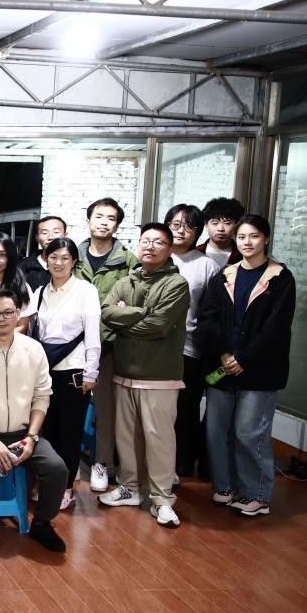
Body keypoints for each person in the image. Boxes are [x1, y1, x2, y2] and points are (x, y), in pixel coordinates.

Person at [199, 214, 295, 517]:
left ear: (266, 238)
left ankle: (256, 494)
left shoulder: (280, 277)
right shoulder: (224, 275)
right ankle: (225, 487)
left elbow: (275, 328)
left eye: (254, 236)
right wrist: (224, 353)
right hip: (222, 366)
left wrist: (244, 358)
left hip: (259, 371)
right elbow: (208, 318)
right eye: (241, 237)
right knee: (216, 431)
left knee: (249, 432)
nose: (247, 242)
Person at [0, 288, 68, 553]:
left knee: (57, 468)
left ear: (18, 314)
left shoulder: (34, 349)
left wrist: (31, 437)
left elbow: (42, 396)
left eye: (8, 312)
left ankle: (41, 523)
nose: (1, 318)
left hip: (23, 432)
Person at [98, 223, 190, 527]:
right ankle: (130, 488)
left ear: (169, 248)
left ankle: (162, 499)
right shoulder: (126, 281)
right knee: (126, 438)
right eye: (145, 241)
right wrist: (143, 312)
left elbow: (159, 326)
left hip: (159, 376)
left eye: (158, 242)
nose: (150, 246)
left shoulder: (176, 284)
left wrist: (126, 320)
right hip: (124, 372)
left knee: (159, 439)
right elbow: (107, 313)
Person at [74, 197, 137, 494]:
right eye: (98, 216)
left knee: (107, 410)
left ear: (117, 224)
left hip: (109, 345)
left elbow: (137, 302)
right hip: (73, 345)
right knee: (68, 405)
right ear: (88, 220)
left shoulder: (128, 261)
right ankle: (69, 459)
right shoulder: (73, 255)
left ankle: (102, 463)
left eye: (111, 218)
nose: (104, 222)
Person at [33, 238, 101, 511]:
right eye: (53, 257)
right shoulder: (40, 291)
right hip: (45, 371)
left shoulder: (85, 290)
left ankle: (66, 486)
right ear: (46, 260)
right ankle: (47, 482)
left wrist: (91, 372)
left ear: (74, 261)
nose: (58, 263)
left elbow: (93, 334)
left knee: (69, 434)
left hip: (74, 372)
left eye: (64, 258)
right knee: (46, 430)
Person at [165, 204, 220, 479]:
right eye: (175, 224)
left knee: (186, 408)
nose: (181, 230)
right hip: (154, 347)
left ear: (198, 232)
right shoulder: (155, 257)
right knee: (157, 409)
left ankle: (183, 462)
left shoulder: (207, 265)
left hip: (189, 348)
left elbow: (211, 311)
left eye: (189, 226)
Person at [198, 197, 245, 269]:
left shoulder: (243, 255)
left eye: (227, 223)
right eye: (215, 223)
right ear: (206, 225)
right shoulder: (196, 253)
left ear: (236, 225)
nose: (220, 229)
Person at [22, 216, 67, 291]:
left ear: (65, 236)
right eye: (45, 233)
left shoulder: (74, 267)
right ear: (37, 238)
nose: (50, 237)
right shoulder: (23, 267)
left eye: (56, 232)